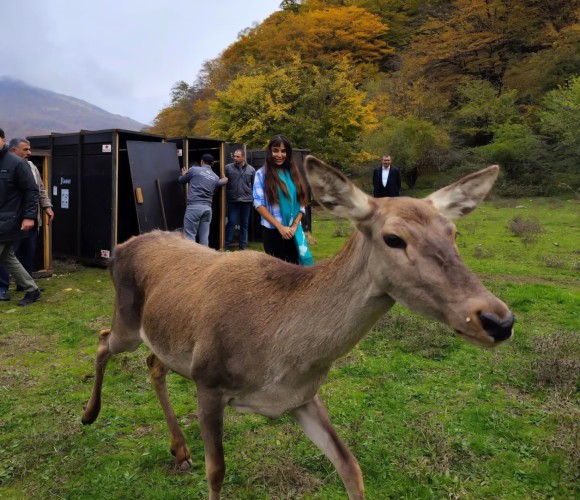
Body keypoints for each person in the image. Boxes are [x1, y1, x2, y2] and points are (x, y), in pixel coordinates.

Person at [0, 138, 54, 288]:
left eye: (29, 149)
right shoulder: (7, 166)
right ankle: (3, 287)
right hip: (12, 221)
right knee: (9, 255)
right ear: (13, 150)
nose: (29, 153)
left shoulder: (31, 167)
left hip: (30, 219)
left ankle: (25, 285)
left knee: (27, 253)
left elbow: (38, 190)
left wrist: (47, 206)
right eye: (25, 149)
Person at [252, 135, 313, 265]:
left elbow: (302, 203)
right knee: (277, 274)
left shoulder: (293, 173)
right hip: (273, 232)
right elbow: (258, 204)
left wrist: (295, 225)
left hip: (294, 232)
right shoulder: (262, 174)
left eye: (283, 151)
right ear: (270, 151)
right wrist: (280, 227)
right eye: (276, 150)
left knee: (297, 270)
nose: (279, 155)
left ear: (288, 153)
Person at [0, 128, 42, 305]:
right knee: (8, 257)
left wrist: (29, 217)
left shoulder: (17, 163)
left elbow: (32, 191)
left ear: (3, 140)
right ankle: (32, 289)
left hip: (8, 221)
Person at [178, 153, 228, 246]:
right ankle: (205, 259)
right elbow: (220, 183)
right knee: (204, 237)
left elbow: (181, 180)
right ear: (212, 164)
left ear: (201, 162)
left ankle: (191, 258)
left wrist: (184, 174)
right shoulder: (215, 177)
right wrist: (225, 179)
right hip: (207, 209)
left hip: (194, 208)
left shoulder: (194, 170)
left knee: (190, 236)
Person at [224, 149, 255, 250]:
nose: (235, 158)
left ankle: (243, 246)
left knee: (244, 224)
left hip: (246, 201)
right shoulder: (228, 168)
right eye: (234, 156)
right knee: (231, 222)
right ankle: (226, 245)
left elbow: (254, 185)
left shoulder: (251, 170)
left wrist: (252, 197)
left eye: (238, 156)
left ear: (243, 157)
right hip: (233, 200)